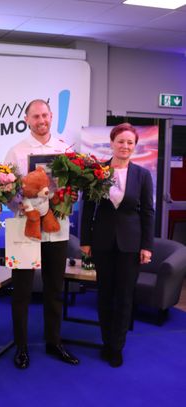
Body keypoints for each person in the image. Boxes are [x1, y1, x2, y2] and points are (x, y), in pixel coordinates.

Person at [4, 99, 79, 369]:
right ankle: (21, 346)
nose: (41, 120)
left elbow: (74, 188)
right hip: (26, 227)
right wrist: (23, 206)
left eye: (45, 115)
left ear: (51, 116)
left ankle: (54, 341)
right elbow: (6, 191)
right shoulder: (16, 152)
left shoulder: (65, 150)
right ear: (27, 120)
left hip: (57, 229)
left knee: (54, 288)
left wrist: (69, 197)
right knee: (22, 290)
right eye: (35, 116)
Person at [80, 123, 154, 367]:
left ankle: (117, 346)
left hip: (131, 244)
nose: (125, 146)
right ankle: (106, 341)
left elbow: (148, 212)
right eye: (120, 141)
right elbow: (88, 208)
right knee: (105, 294)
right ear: (111, 143)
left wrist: (147, 246)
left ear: (135, 146)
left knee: (124, 296)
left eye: (130, 142)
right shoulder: (97, 172)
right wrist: (85, 240)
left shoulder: (142, 175)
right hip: (102, 242)